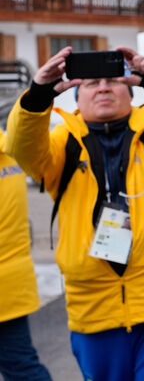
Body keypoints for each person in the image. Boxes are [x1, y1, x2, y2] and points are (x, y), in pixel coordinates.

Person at [3, 46, 144, 381]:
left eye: (113, 80)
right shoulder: (60, 145)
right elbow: (20, 147)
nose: (104, 87)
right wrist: (38, 94)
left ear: (131, 89)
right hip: (93, 311)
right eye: (93, 83)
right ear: (77, 98)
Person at [0, 130, 52, 381]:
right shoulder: (10, 150)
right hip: (11, 288)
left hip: (8, 287)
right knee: (22, 367)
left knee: (21, 369)